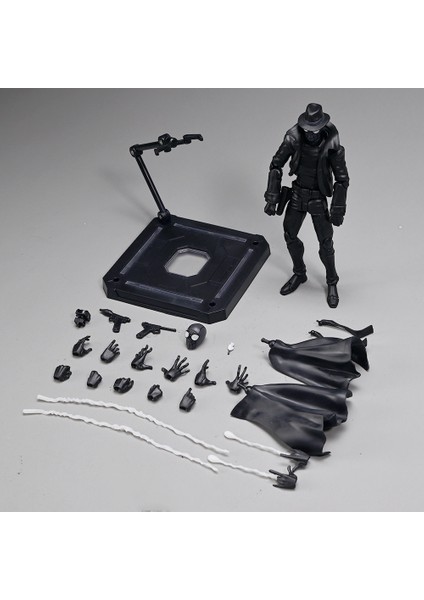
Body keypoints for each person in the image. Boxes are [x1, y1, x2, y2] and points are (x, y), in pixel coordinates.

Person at [264, 103, 349, 308]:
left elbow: (342, 179)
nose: (311, 134)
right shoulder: (294, 138)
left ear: (322, 127)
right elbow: (276, 164)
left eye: (315, 130)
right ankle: (299, 273)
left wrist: (338, 209)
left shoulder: (332, 145)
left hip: (318, 198)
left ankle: (332, 281)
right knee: (290, 235)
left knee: (326, 243)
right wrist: (272, 197)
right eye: (307, 130)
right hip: (297, 194)